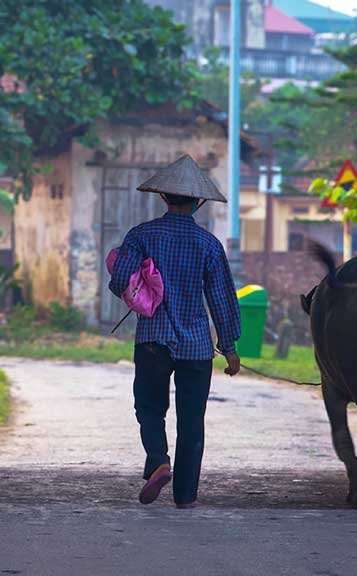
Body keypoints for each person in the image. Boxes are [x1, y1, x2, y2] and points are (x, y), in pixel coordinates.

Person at [107, 154, 242, 509]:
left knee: (149, 407)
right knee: (192, 420)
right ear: (198, 202)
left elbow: (119, 281)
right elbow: (221, 298)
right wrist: (229, 347)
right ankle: (185, 495)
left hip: (153, 340)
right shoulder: (209, 245)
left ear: (164, 197)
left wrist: (139, 286)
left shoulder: (141, 236)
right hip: (197, 346)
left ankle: (158, 460)